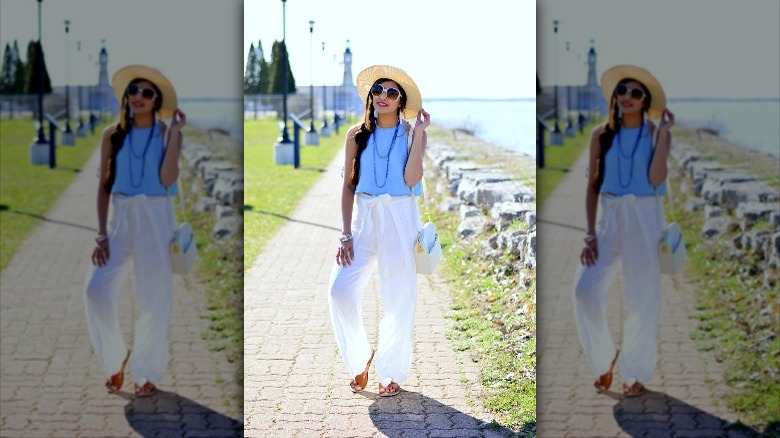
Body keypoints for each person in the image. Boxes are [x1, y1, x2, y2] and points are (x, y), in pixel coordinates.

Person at [84, 64, 186, 398]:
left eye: (147, 92)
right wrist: (101, 233)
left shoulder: (167, 133)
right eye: (133, 90)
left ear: (157, 101)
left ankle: (146, 373)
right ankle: (115, 360)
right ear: (125, 97)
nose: (138, 96)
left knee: (154, 300)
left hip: (156, 216)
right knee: (95, 291)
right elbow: (103, 186)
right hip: (120, 217)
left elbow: (168, 179)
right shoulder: (112, 135)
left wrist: (174, 134)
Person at [573, 65, 675, 398]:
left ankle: (634, 373)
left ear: (645, 101)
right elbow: (592, 186)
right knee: (584, 291)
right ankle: (604, 360)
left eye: (635, 93)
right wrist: (590, 233)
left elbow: (657, 178)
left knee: (643, 299)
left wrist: (662, 134)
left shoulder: (657, 133)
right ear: (614, 97)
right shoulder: (601, 135)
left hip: (645, 216)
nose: (627, 97)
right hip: (609, 218)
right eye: (622, 91)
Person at [328, 65, 429, 397]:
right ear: (370, 97)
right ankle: (360, 358)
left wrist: (421, 135)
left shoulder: (412, 133)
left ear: (401, 102)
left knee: (399, 298)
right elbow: (347, 186)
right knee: (340, 291)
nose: (383, 96)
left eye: (392, 92)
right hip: (365, 217)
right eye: (378, 91)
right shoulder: (356, 135)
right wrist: (345, 233)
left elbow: (412, 179)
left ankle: (391, 371)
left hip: (400, 216)